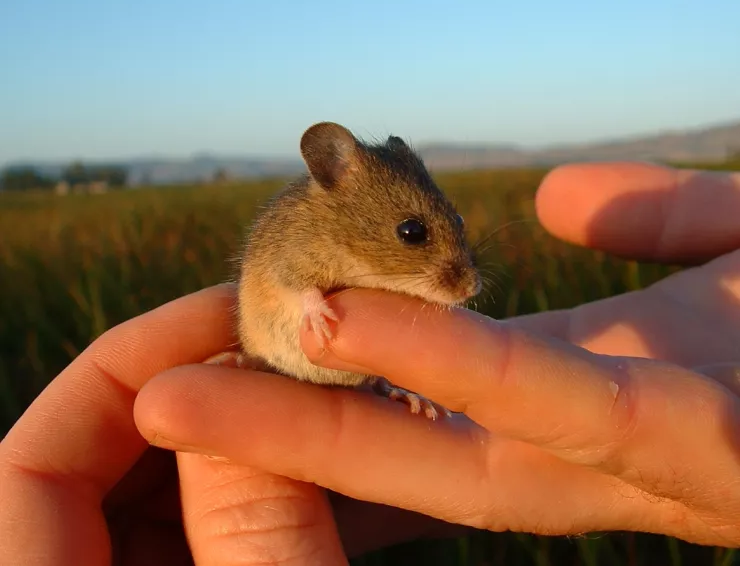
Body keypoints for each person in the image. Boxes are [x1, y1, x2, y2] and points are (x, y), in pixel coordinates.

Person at [2, 160, 740, 565]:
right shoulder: (308, 226)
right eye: (419, 234)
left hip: (351, 376)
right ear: (335, 180)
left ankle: (385, 382)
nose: (455, 266)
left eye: (445, 228)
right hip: (275, 346)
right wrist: (305, 301)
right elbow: (278, 266)